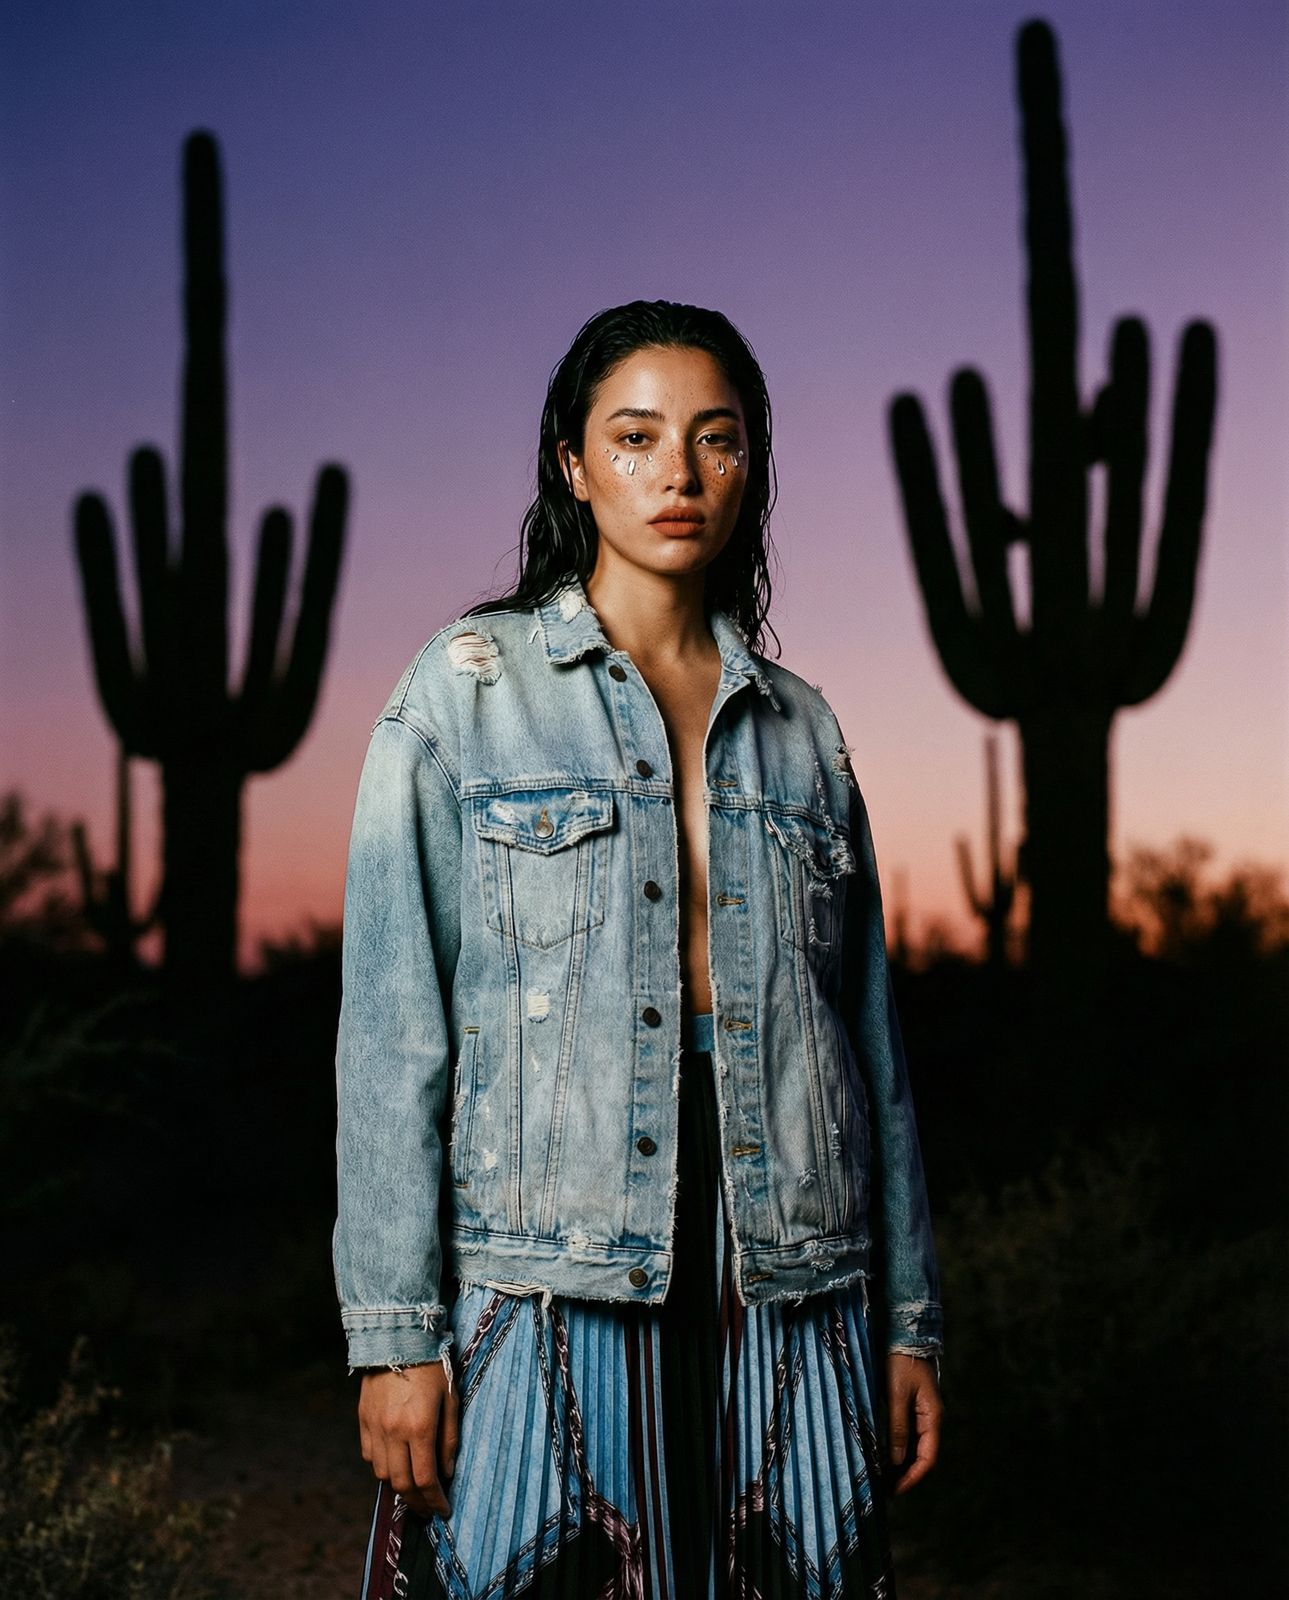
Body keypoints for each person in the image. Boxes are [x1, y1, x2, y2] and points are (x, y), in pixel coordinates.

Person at [334, 299, 944, 1599]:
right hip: (542, 1279)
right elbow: (394, 1037)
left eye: (715, 441)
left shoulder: (802, 732)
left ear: (749, 469)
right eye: (634, 436)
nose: (676, 475)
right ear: (570, 461)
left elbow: (868, 1051)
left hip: (789, 1278)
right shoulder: (465, 688)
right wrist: (393, 1338)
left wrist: (904, 1323)